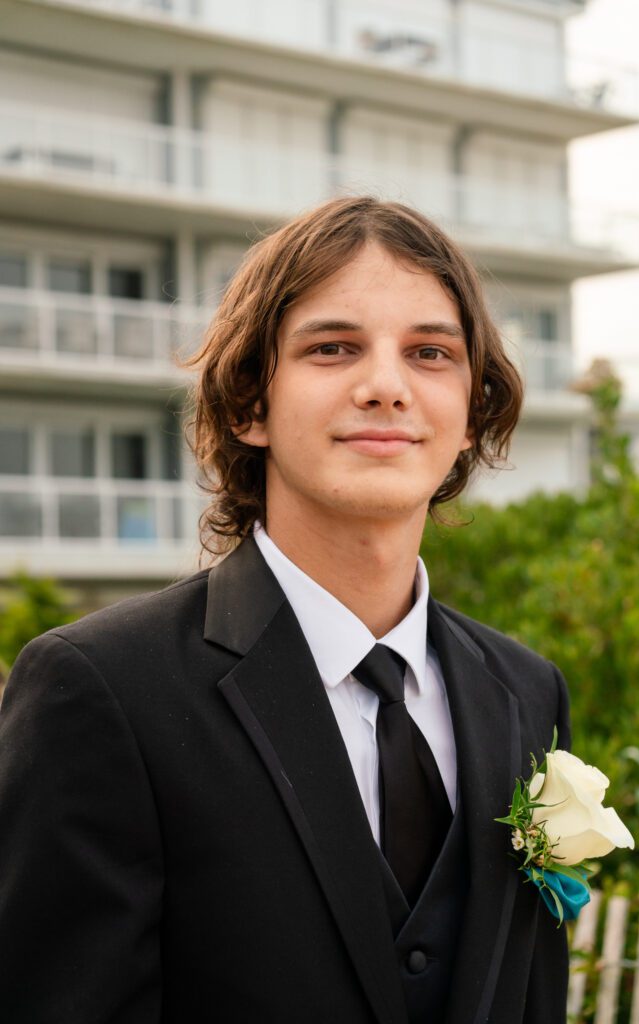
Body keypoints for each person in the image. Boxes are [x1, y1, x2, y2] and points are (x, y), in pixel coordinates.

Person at [0, 197, 571, 1023]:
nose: (386, 387)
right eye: (332, 348)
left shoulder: (526, 691)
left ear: (472, 410)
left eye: (430, 352)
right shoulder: (100, 690)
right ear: (247, 405)